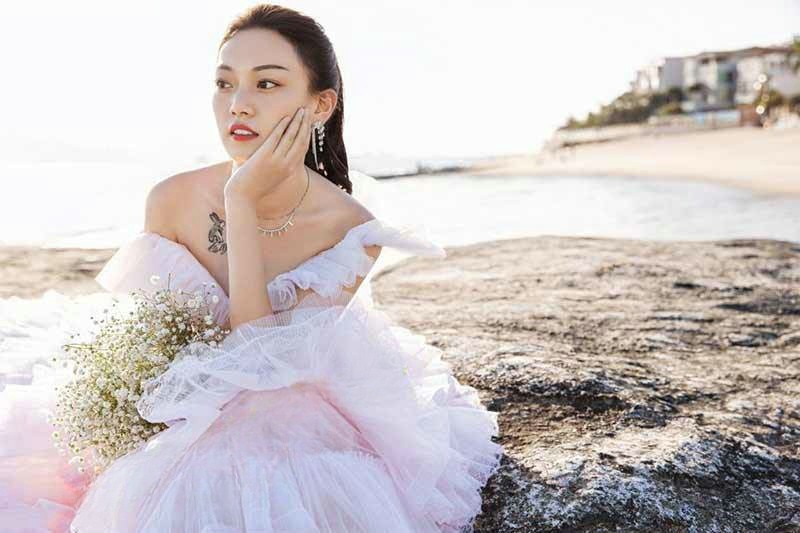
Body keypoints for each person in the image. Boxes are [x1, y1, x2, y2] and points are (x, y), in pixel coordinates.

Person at [0, 4, 503, 532]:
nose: (238, 104)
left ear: (320, 105)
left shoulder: (351, 230)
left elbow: (260, 360)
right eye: (225, 83)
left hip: (290, 407)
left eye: (267, 84)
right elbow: (162, 344)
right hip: (187, 401)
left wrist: (240, 201)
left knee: (246, 456)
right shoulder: (172, 199)